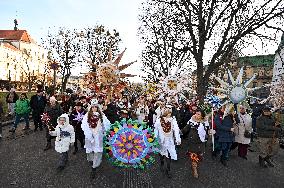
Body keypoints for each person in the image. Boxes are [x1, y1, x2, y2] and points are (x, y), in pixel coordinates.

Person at [81, 99, 111, 179]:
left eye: (96, 107)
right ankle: (91, 161)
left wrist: (104, 131)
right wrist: (90, 136)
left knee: (97, 152)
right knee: (90, 150)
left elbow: (107, 125)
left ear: (98, 107)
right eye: (93, 107)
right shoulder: (87, 115)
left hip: (98, 136)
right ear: (91, 107)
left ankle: (94, 168)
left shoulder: (101, 115)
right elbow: (84, 126)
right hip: (90, 137)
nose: (94, 108)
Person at [154, 106, 181, 178]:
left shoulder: (173, 120)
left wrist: (178, 139)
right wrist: (155, 138)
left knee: (169, 156)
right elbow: (156, 130)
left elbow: (176, 129)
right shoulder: (159, 120)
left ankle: (168, 170)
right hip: (161, 141)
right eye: (168, 114)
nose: (169, 115)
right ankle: (162, 162)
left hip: (170, 141)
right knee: (161, 154)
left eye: (170, 114)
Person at [182, 109, 209, 178]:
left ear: (202, 116)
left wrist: (210, 132)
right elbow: (185, 129)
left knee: (199, 157)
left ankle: (195, 166)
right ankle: (195, 170)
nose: (196, 115)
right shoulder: (191, 121)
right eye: (196, 113)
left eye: (198, 114)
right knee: (193, 158)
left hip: (200, 144)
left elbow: (207, 133)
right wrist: (177, 132)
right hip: (192, 143)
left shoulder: (205, 123)